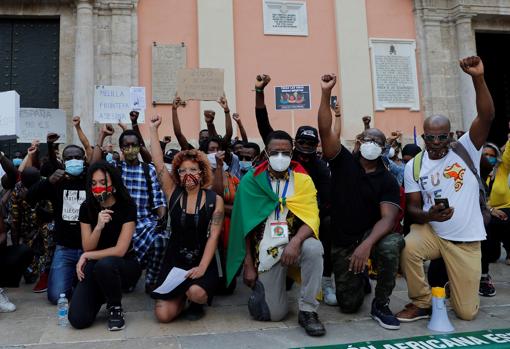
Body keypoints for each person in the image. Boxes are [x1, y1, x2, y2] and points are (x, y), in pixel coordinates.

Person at [398, 56, 495, 322]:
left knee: (466, 314)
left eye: (443, 136)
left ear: (450, 136)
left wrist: (478, 78)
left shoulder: (467, 149)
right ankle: (422, 302)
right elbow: (413, 209)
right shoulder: (414, 166)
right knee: (407, 246)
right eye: (431, 137)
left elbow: (486, 116)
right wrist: (429, 216)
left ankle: (455, 284)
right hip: (434, 233)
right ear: (424, 137)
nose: (437, 142)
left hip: (465, 241)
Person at [318, 74, 404, 330]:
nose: (372, 145)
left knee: (391, 244)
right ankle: (360, 279)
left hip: (370, 235)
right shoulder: (342, 161)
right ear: (358, 142)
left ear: (384, 147)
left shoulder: (387, 179)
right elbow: (325, 130)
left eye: (378, 142)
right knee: (349, 304)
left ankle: (381, 303)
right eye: (368, 140)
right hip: (343, 237)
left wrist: (367, 245)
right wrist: (325, 93)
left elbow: (388, 218)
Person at [226, 130, 326, 337]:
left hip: (294, 246)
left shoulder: (303, 181)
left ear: (292, 153)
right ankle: (267, 287)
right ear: (265, 152)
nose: (280, 157)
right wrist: (248, 265)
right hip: (265, 250)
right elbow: (242, 225)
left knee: (315, 247)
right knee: (273, 314)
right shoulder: (251, 182)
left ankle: (308, 311)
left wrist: (296, 241)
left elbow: (312, 218)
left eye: (285, 152)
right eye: (275, 152)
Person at [253, 74, 335, 306]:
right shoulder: (282, 154)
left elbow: (325, 200)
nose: (305, 148)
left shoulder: (319, 169)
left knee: (325, 226)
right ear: (294, 143)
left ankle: (325, 280)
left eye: (311, 144)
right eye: (302, 143)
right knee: (272, 307)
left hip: (304, 219)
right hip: (274, 220)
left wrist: (302, 215)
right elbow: (263, 123)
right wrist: (259, 92)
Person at [148, 115, 224, 322]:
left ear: (201, 172)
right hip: (175, 260)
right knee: (163, 316)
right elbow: (158, 164)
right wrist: (153, 131)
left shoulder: (213, 200)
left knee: (197, 292)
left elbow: (213, 237)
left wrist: (202, 267)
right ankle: (179, 296)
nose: (188, 174)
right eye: (182, 171)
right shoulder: (173, 192)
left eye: (192, 170)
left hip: (201, 259)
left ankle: (194, 300)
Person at [92, 126, 167, 293]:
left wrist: (162, 217)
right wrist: (101, 136)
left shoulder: (149, 170)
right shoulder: (114, 169)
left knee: (161, 239)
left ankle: (151, 281)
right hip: (120, 222)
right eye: (126, 146)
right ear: (122, 148)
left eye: (134, 145)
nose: (130, 149)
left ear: (140, 146)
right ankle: (129, 276)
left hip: (145, 222)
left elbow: (158, 198)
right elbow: (94, 164)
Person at [68, 161, 141, 331]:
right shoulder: (86, 207)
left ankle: (115, 307)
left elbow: (120, 250)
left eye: (103, 182)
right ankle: (102, 291)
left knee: (105, 265)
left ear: (113, 183)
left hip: (125, 264)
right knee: (78, 320)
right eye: (93, 183)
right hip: (96, 266)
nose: (98, 187)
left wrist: (86, 257)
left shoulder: (127, 205)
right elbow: (88, 246)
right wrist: (99, 227)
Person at [26, 144, 87, 304]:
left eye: (77, 158)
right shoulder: (57, 182)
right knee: (56, 296)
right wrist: (48, 182)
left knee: (94, 290)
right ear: (63, 161)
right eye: (69, 158)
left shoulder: (91, 181)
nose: (74, 161)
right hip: (64, 248)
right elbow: (30, 196)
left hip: (89, 248)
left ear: (84, 160)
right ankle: (72, 280)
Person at [478, 140, 510, 296]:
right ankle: (483, 276)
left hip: (505, 209)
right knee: (486, 227)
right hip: (485, 213)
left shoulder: (502, 168)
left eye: (492, 155)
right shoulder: (473, 173)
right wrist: (490, 210)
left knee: (503, 219)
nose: (488, 158)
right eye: (485, 155)